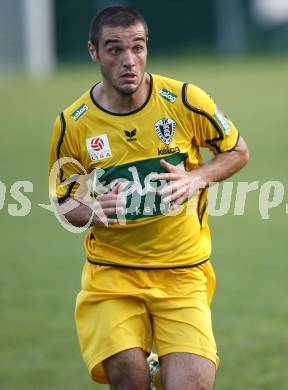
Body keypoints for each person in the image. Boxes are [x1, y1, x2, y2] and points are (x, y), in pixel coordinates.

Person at [48, 5, 249, 390]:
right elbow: (65, 202)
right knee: (129, 377)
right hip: (112, 276)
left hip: (182, 273)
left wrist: (197, 178)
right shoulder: (72, 124)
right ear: (93, 51)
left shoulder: (185, 100)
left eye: (138, 47)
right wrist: (89, 209)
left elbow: (237, 151)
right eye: (114, 49)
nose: (129, 60)